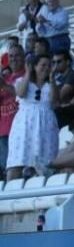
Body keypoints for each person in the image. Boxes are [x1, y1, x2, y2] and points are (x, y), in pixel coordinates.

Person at [4, 53, 58, 179]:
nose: (46, 68)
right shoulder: (22, 81)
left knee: (42, 166)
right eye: (43, 65)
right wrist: (28, 73)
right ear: (34, 66)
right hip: (25, 125)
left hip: (46, 126)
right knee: (17, 163)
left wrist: (52, 79)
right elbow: (21, 93)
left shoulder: (51, 84)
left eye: (49, 65)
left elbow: (54, 100)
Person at [0, 46, 25, 176]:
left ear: (24, 57)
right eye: (11, 56)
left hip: (20, 130)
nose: (13, 59)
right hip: (3, 131)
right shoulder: (6, 78)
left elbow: (21, 94)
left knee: (17, 171)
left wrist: (4, 86)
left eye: (17, 56)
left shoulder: (28, 76)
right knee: (5, 171)